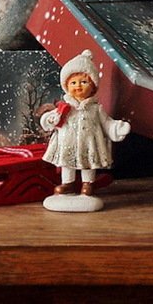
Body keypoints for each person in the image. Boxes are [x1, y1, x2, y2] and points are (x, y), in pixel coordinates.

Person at [40, 50, 131, 201]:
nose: (78, 86)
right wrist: (51, 119)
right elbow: (50, 119)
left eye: (83, 82)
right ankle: (67, 183)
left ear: (93, 86)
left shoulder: (96, 109)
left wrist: (117, 128)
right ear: (66, 86)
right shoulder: (64, 107)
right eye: (73, 83)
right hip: (67, 142)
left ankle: (87, 183)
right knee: (67, 163)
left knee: (88, 162)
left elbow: (106, 123)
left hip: (88, 143)